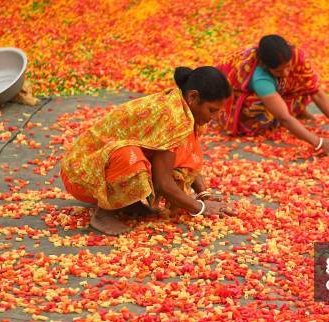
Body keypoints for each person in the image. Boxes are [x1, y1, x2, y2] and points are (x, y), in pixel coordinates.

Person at [60, 66, 236, 235]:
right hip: (81, 175)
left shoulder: (185, 111)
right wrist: (200, 208)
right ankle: (103, 213)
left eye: (218, 112)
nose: (212, 118)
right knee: (129, 155)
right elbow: (162, 182)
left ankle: (126, 202)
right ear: (193, 97)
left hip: (102, 167)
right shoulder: (173, 117)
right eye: (211, 110)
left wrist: (203, 195)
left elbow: (186, 155)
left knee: (176, 149)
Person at [217, 34, 329, 154]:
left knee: (301, 80)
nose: (286, 73)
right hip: (238, 98)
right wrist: (318, 142)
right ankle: (269, 120)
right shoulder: (260, 78)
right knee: (255, 104)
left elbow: (315, 91)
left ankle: (297, 111)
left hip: (276, 90)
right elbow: (284, 117)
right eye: (279, 71)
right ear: (265, 66)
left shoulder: (297, 55)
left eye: (288, 66)